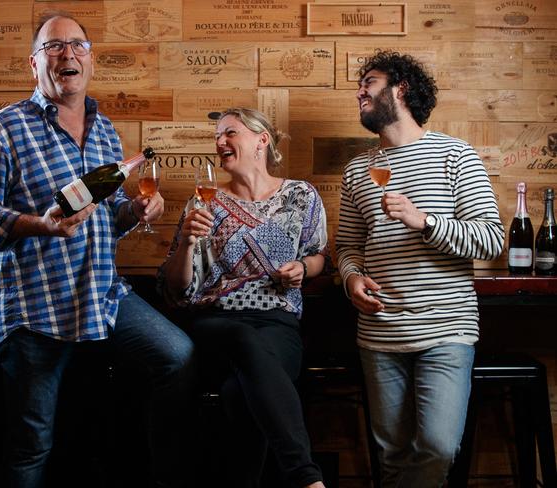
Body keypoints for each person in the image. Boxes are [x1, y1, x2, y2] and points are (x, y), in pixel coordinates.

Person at [0, 12, 195, 488]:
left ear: (90, 58)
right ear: (34, 64)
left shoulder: (104, 131)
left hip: (100, 297)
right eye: (54, 46)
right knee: (32, 445)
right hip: (34, 306)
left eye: (78, 45)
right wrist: (37, 225)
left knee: (177, 355)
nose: (68, 54)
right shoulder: (4, 129)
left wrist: (137, 211)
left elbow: (103, 220)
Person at [335, 50, 505, 487]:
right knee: (391, 455)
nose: (359, 92)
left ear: (401, 89)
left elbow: (490, 239)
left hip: (447, 329)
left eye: (369, 82)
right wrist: (351, 276)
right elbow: (348, 247)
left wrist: (423, 220)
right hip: (379, 332)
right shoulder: (358, 170)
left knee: (437, 446)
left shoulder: (456, 156)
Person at [158, 108, 328, 488]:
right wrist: (186, 243)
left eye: (229, 133)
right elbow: (177, 290)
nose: (220, 142)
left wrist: (304, 268)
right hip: (216, 323)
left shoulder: (301, 195)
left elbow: (319, 255)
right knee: (242, 339)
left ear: (261, 139)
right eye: (217, 136)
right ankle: (307, 478)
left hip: (278, 323)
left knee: (241, 395)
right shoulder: (204, 203)